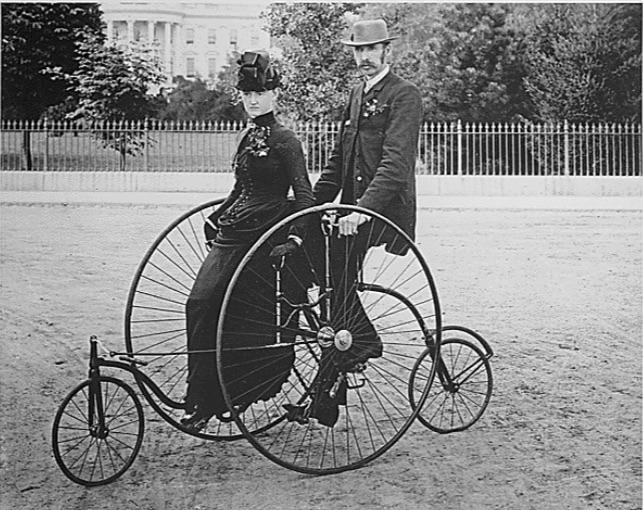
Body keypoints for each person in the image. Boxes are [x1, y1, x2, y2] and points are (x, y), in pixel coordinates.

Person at [181, 50, 314, 432]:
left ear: (275, 94)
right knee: (200, 305)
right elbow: (240, 188)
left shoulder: (286, 140)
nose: (253, 100)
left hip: (262, 235)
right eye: (247, 93)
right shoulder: (248, 136)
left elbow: (304, 196)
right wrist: (220, 214)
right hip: (236, 231)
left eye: (260, 92)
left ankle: (211, 397)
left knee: (215, 307)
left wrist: (294, 238)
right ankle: (205, 395)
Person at [305, 19, 423, 424]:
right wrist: (309, 204)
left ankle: (360, 343)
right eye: (358, 51)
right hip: (353, 212)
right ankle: (339, 364)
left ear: (387, 51)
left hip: (384, 211)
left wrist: (359, 211)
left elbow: (394, 166)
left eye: (371, 50)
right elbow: (339, 163)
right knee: (322, 263)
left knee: (337, 265)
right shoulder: (356, 95)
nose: (364, 58)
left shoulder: (405, 96)